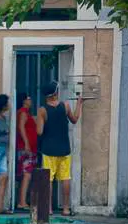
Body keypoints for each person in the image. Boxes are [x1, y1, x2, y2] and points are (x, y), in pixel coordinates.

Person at [36, 82, 84, 216]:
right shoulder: (66, 106)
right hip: (64, 148)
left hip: (48, 149)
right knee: (65, 178)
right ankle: (66, 209)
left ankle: (49, 209)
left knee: (48, 179)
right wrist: (79, 103)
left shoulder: (42, 110)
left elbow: (39, 132)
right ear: (56, 93)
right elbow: (74, 119)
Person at [15, 92, 37, 210]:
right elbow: (21, 127)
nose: (30, 100)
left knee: (26, 174)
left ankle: (22, 200)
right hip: (26, 148)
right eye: (29, 98)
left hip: (29, 147)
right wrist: (27, 143)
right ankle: (22, 202)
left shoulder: (27, 113)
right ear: (24, 101)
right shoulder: (23, 112)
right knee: (27, 175)